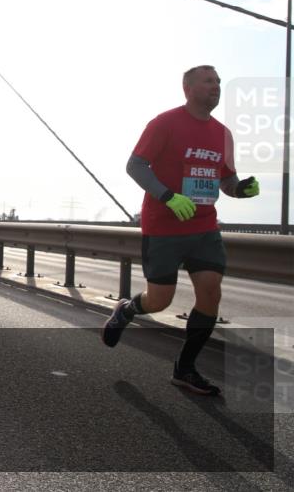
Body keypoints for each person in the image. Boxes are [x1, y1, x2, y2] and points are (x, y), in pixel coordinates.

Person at [103, 65, 259, 395]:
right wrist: (168, 197)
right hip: (163, 227)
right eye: (208, 81)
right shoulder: (165, 123)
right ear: (187, 88)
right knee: (160, 300)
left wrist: (239, 189)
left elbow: (226, 179)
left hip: (204, 226)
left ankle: (185, 369)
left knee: (211, 291)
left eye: (219, 82)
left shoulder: (223, 134)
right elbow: (135, 165)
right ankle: (126, 310)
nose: (216, 86)